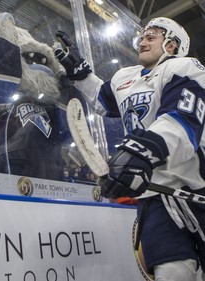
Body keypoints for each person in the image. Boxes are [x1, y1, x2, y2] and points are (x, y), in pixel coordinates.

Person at [54, 18, 205, 280]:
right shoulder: (125, 77)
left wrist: (143, 150)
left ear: (172, 44)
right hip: (154, 196)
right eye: (143, 36)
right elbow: (103, 102)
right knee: (172, 272)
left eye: (152, 36)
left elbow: (183, 121)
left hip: (194, 187)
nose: (143, 41)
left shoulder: (185, 67)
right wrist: (81, 74)